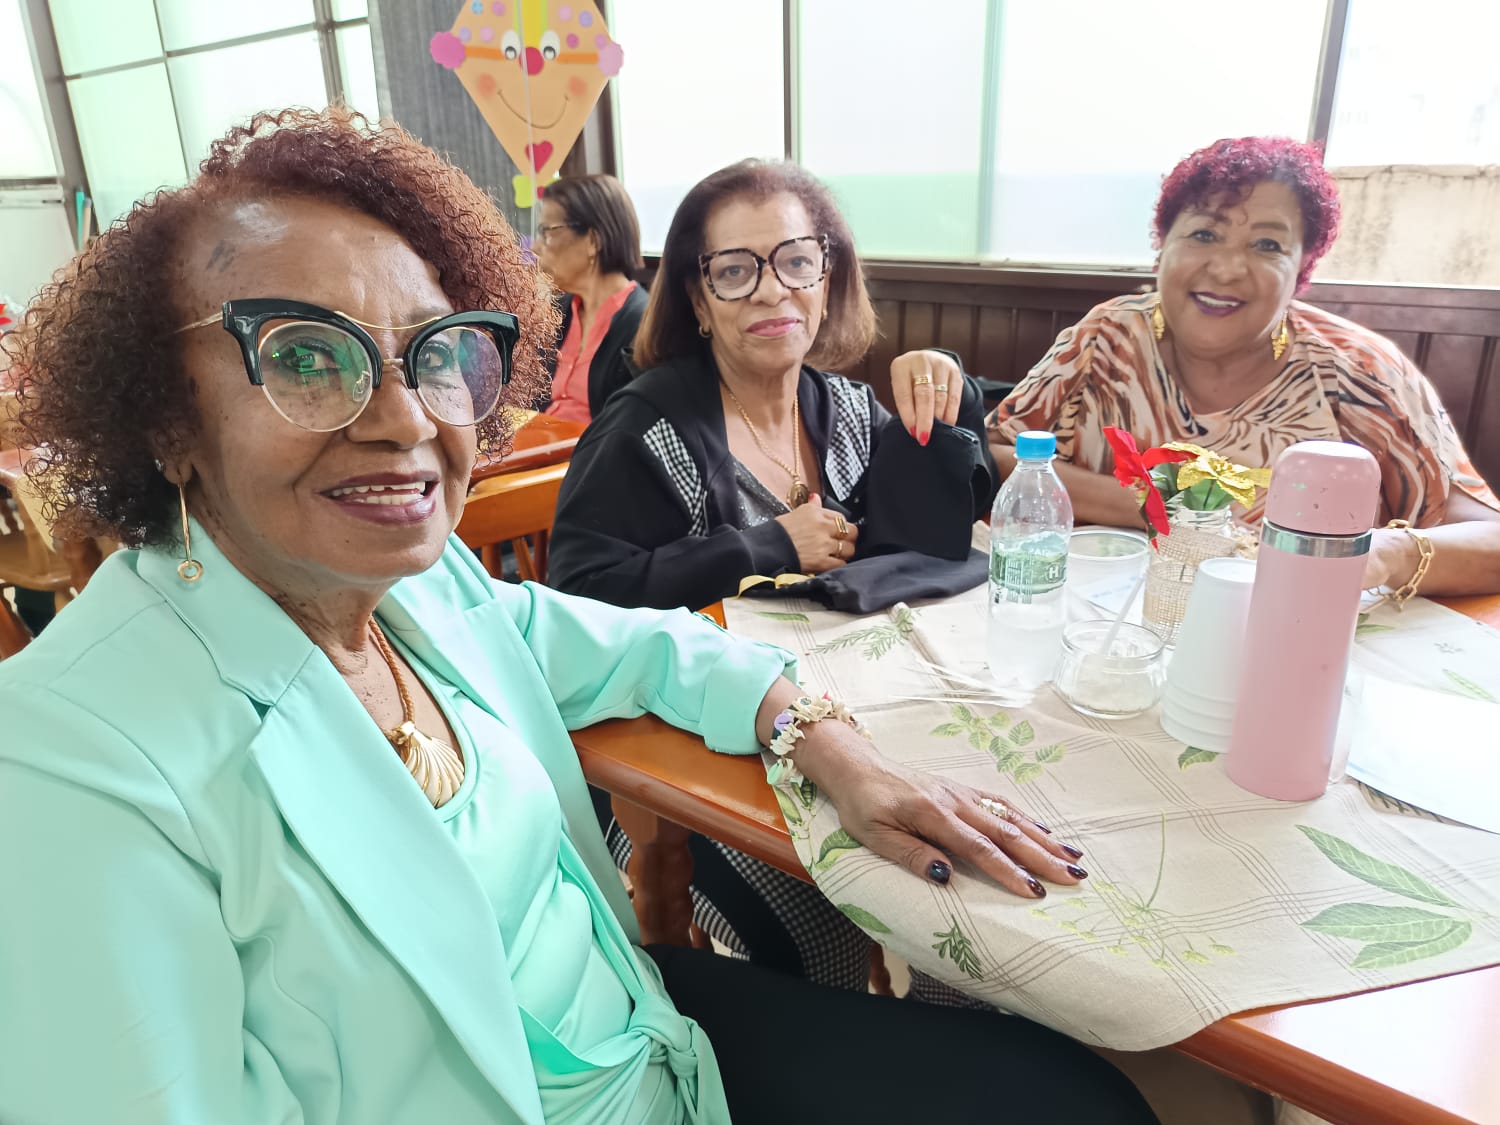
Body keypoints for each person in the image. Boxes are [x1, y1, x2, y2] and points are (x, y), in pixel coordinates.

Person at [0, 108, 1154, 1125]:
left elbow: (643, 645)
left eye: (437, 353)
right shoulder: (68, 766)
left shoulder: (423, 589)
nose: (405, 420)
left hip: (652, 1035)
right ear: (166, 416)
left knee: (1073, 1098)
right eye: (306, 356)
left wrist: (832, 746)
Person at [547, 159, 1003, 1000]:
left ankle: (942, 1035)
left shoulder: (847, 409)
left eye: (796, 261)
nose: (771, 290)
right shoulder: (647, 426)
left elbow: (925, 543)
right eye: (735, 269)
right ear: (698, 297)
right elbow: (576, 599)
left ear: (827, 279)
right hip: (676, 760)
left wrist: (949, 392)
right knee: (818, 934)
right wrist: (763, 546)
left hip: (839, 713)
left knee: (972, 878)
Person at [987, 136, 1500, 597]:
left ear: (1301, 269)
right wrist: (1156, 508)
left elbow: (1489, 536)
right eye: (1205, 234)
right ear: (1162, 245)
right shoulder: (1108, 337)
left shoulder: (1358, 372)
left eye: (1267, 245)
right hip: (1106, 620)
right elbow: (994, 453)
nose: (1228, 268)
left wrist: (1386, 555)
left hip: (1297, 633)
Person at [534, 173, 647, 423]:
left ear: (593, 241)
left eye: (547, 232)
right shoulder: (559, 312)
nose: (536, 247)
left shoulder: (643, 324)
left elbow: (630, 427)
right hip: (541, 442)